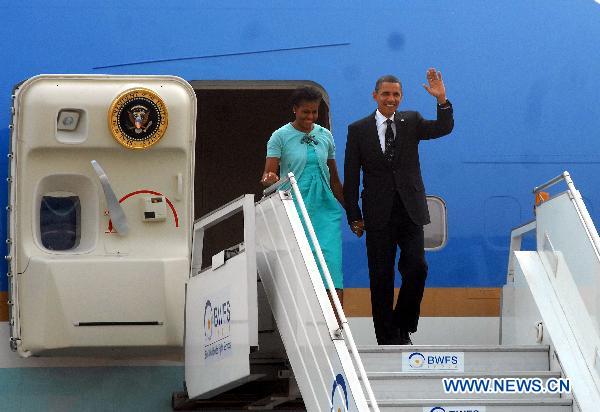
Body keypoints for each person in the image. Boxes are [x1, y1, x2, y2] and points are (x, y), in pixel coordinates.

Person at [343, 69, 454, 345]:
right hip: (377, 214)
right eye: (385, 94)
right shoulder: (358, 130)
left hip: (410, 210)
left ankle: (403, 323)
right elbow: (351, 174)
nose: (390, 99)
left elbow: (443, 128)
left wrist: (442, 100)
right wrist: (354, 215)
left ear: (401, 97)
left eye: (395, 95)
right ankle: (387, 337)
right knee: (380, 277)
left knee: (417, 267)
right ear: (375, 96)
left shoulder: (412, 121)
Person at [261, 86, 345, 308]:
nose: (310, 117)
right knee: (301, 264)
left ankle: (338, 324)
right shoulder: (279, 137)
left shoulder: (325, 136)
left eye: (314, 112)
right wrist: (269, 179)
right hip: (295, 206)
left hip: (325, 208)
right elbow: (268, 174)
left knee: (332, 265)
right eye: (305, 112)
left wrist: (353, 213)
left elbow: (335, 179)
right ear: (294, 109)